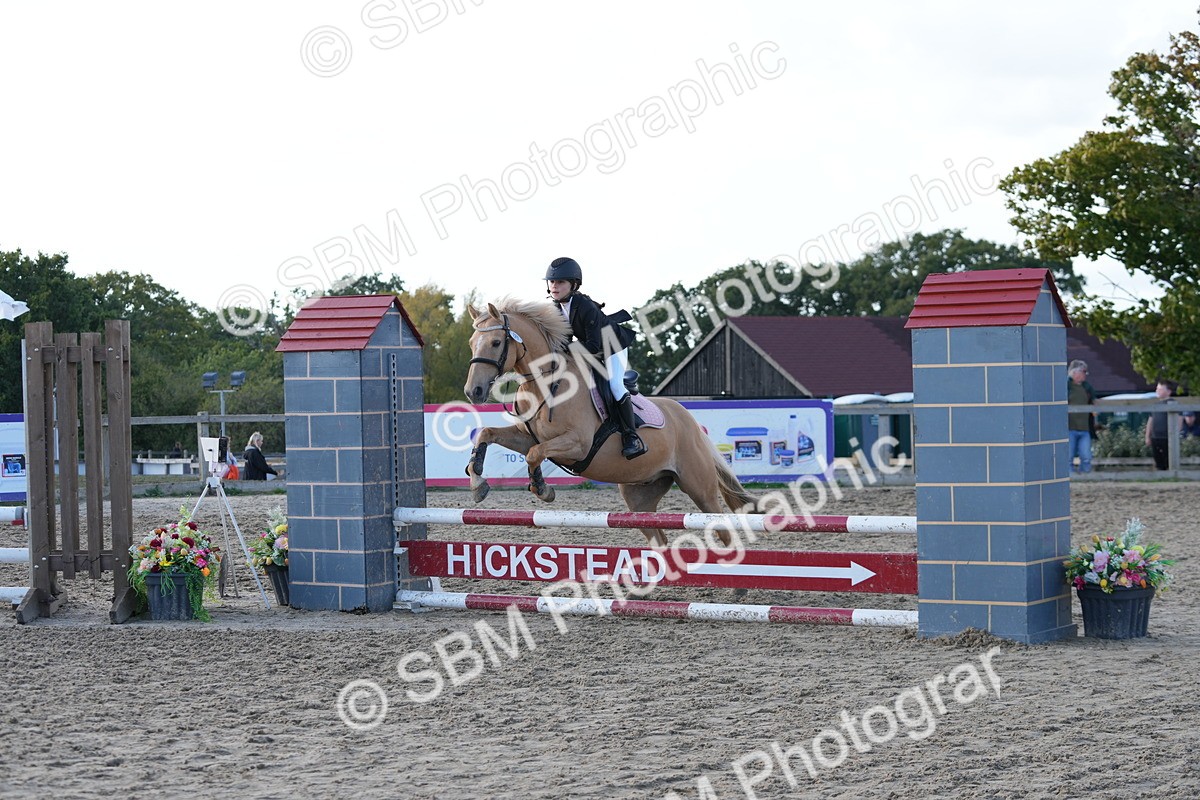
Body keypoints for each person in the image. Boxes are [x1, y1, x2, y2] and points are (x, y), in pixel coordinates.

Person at [544, 256, 646, 459]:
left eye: (560, 282)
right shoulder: (555, 307)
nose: (555, 286)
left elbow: (592, 345)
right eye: (552, 282)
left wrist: (566, 350)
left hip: (612, 345)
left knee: (615, 385)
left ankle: (631, 436)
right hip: (592, 347)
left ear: (573, 285)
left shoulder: (585, 306)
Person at [1066, 360, 1096, 474]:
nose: (1085, 374)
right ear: (1075, 372)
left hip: (1084, 428)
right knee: (1068, 456)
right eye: (1083, 371)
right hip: (1069, 427)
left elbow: (1094, 402)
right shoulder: (1066, 386)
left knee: (1086, 455)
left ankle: (1086, 476)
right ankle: (1069, 476)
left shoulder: (1087, 388)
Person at [1144, 379, 1176, 470]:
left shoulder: (1173, 403)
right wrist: (1147, 436)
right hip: (1155, 436)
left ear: (1168, 391)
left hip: (1167, 436)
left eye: (1160, 389)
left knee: (1168, 460)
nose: (1157, 391)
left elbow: (1179, 420)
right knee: (1158, 460)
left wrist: (1175, 434)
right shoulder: (1155, 405)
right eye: (1157, 389)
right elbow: (1150, 421)